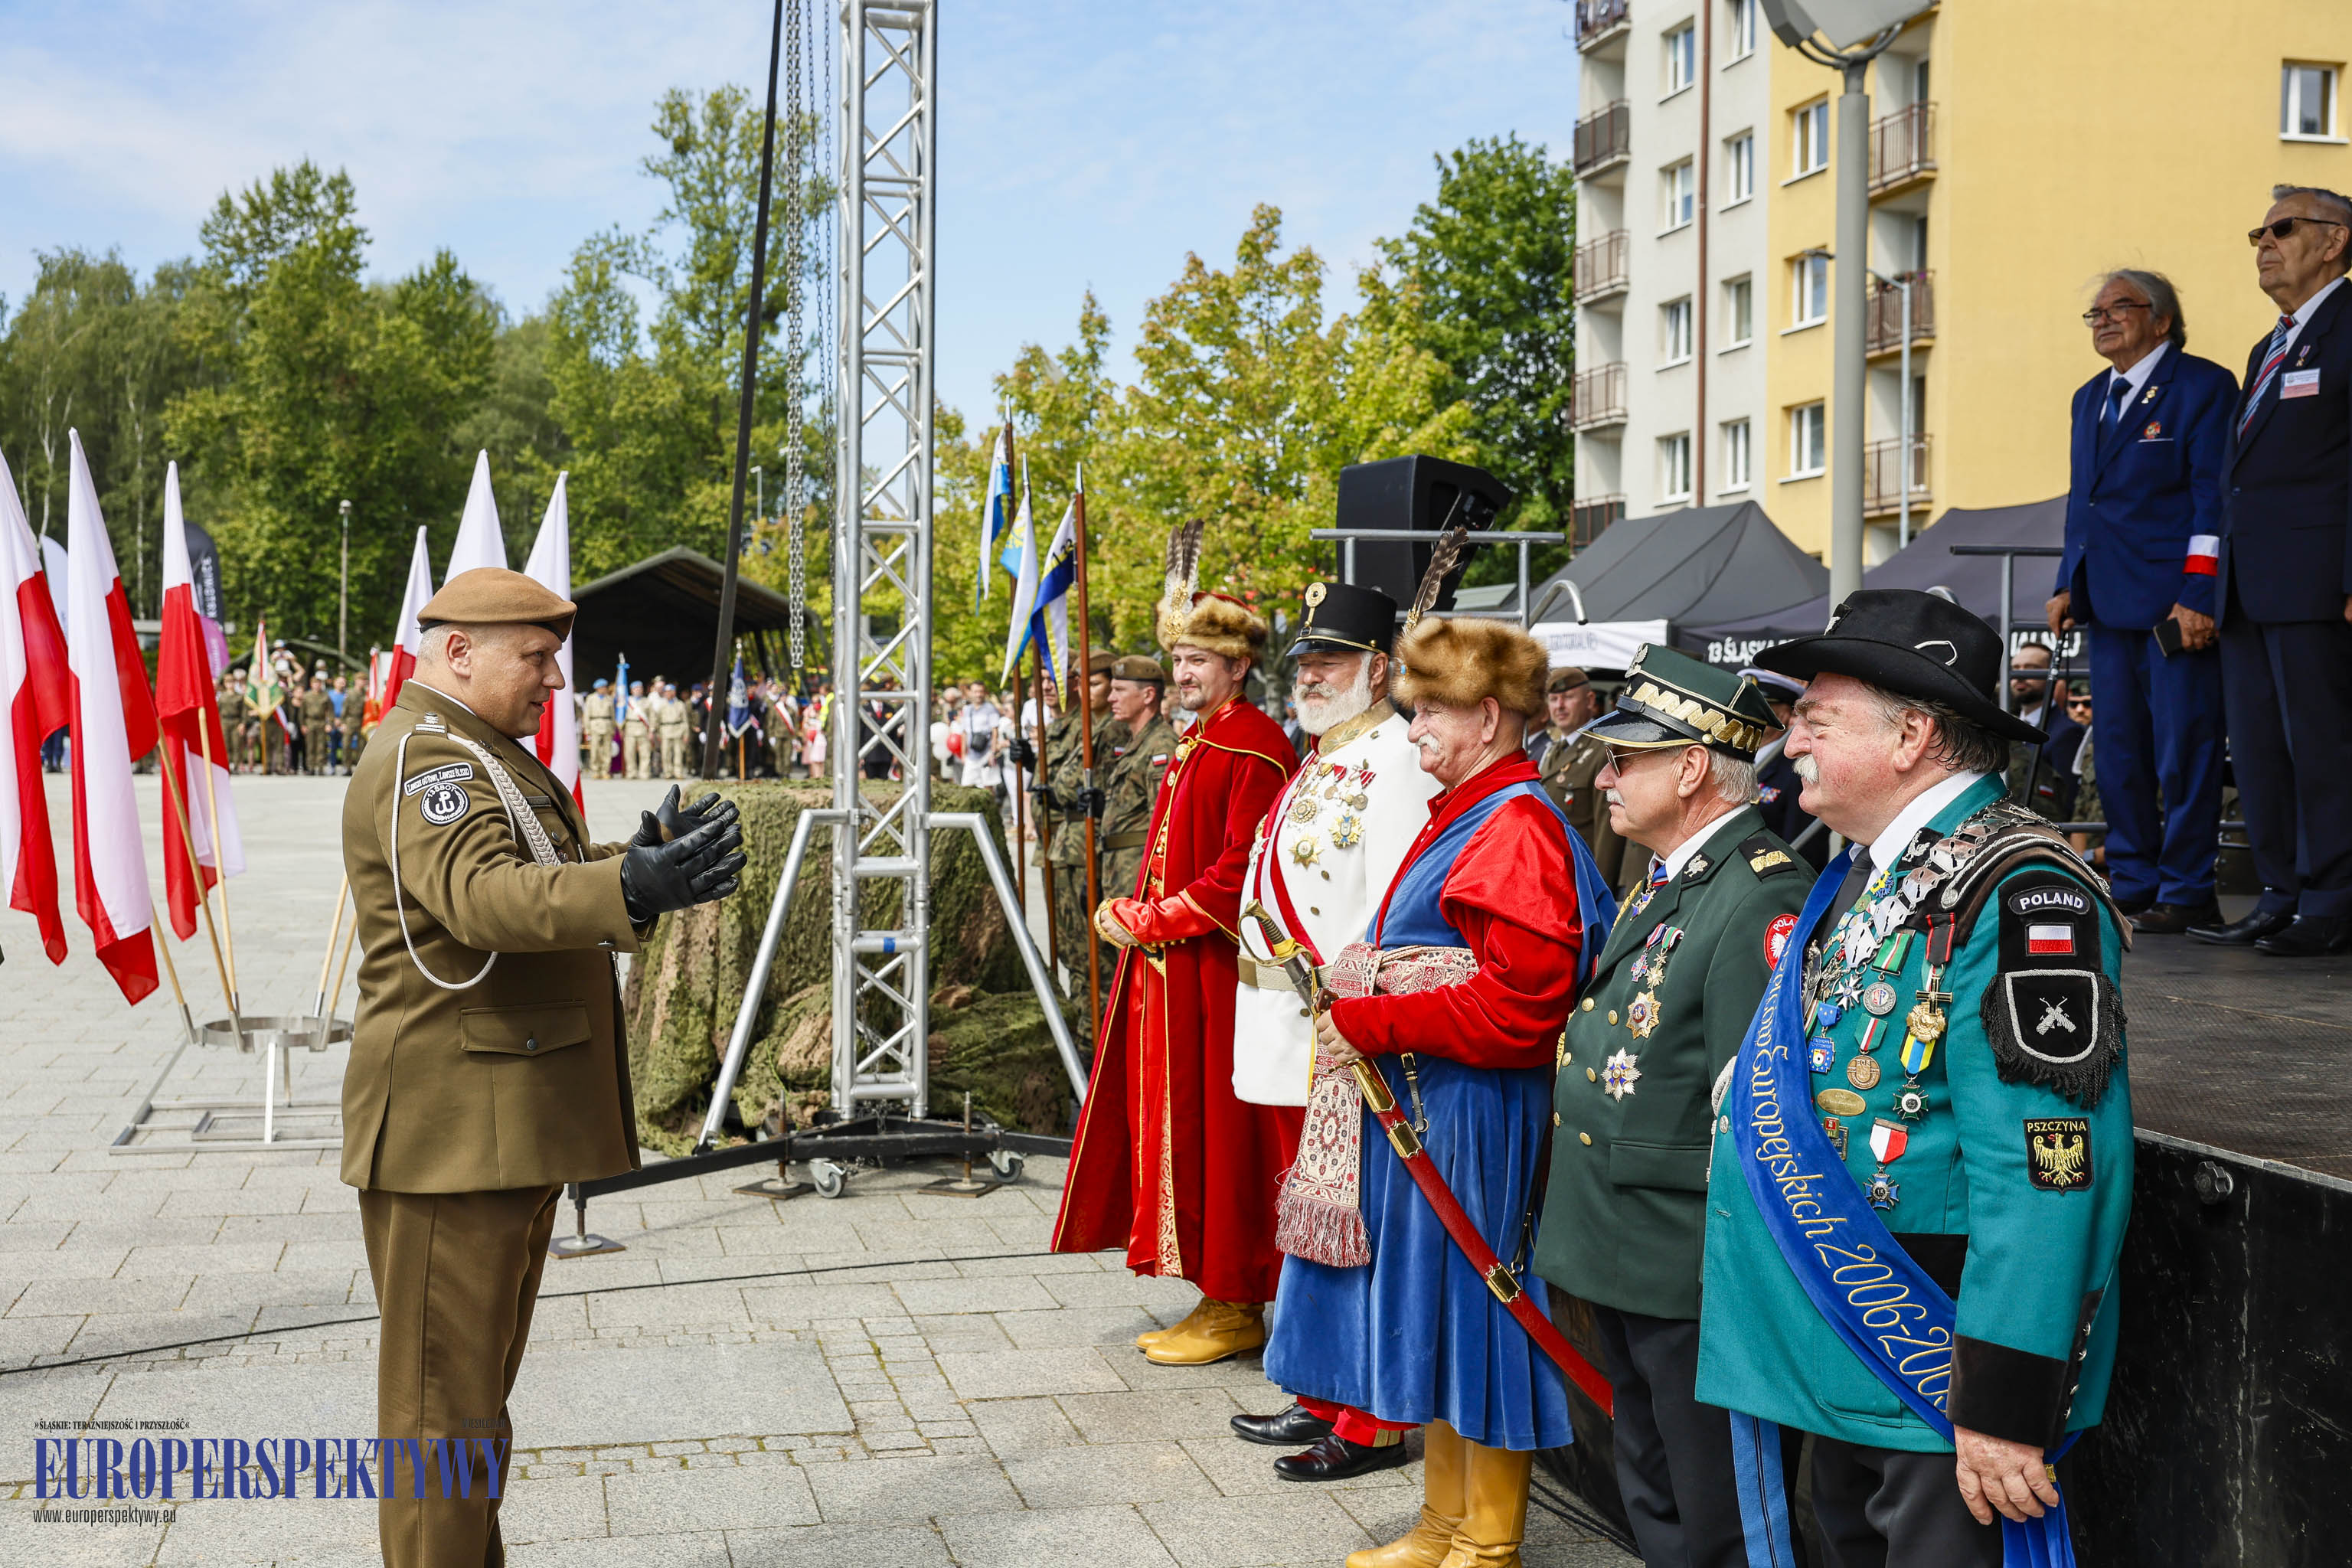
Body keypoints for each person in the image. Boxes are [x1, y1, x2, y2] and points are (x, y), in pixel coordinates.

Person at [1700, 588, 2135, 1567]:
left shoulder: (2023, 892)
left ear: (1912, 736)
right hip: (1845, 1342)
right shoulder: (1872, 870)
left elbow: (2050, 1164)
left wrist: (2004, 1401)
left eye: (1816, 719)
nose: (1789, 742)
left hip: (1937, 1363)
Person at [341, 567, 743, 1566]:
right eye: (536, 656)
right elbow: (484, 898)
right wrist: (627, 887)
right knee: (442, 1421)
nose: (555, 679)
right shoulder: (428, 759)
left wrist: (633, 861)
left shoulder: (475, 751)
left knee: (471, 1411)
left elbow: (529, 870)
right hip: (452, 1136)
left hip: (493, 1128)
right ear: (459, 651)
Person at [1263, 609, 1612, 1568]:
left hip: (1473, 1110)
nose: (1412, 728)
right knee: (1443, 1320)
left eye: (1429, 712)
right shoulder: (1472, 811)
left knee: (1480, 1321)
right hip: (1438, 1099)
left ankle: (1488, 1541)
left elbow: (1521, 1006)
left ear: (1488, 717)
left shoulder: (1515, 824)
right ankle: (1442, 1524)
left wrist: (1374, 1020)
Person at [1534, 645, 1807, 1568]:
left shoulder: (1759, 889)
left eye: (1625, 759)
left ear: (1692, 768)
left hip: (1690, 1262)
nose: (1602, 777)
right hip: (1628, 1240)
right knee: (1654, 1488)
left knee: (1720, 1508)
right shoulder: (1674, 872)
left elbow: (1754, 1114)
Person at [1055, 539, 1300, 1367]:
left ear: (1237, 666)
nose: (1183, 672)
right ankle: (1213, 1290)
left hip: (1217, 976)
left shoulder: (1251, 744)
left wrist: (1153, 917)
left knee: (1219, 1137)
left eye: (1199, 659)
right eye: (1179, 658)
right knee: (1183, 1131)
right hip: (1177, 971)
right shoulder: (1206, 737)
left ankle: (1235, 1298)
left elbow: (1240, 871)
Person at [1227, 582, 1440, 1481]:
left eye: (1332, 660)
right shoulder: (1324, 754)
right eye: (1305, 661)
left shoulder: (1396, 761)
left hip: (1341, 1028)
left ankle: (1371, 1416)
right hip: (1285, 1021)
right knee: (1310, 1222)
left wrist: (1353, 1011)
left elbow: (1392, 909)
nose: (1311, 676)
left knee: (1356, 1225)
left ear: (1378, 669)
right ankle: (1320, 1385)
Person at [2047, 268, 2233, 935]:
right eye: (2095, 312)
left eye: (2118, 307)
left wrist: (2200, 593)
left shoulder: (2202, 386)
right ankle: (2133, 880)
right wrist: (2066, 582)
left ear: (2162, 319)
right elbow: (2083, 502)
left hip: (2172, 606)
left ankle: (2187, 889)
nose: (2102, 320)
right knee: (2119, 753)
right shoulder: (2088, 397)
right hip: (2105, 600)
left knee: (2185, 750)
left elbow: (2214, 498)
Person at [2194, 184, 2352, 955]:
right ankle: (2281, 893)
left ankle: (2332, 900)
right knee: (2260, 752)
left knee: (2323, 746)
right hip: (2248, 586)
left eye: (2283, 228)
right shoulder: (2269, 347)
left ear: (2335, 241)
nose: (2265, 242)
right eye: (2259, 231)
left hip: (2317, 578)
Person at [1040, 650, 1129, 1000]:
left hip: (1090, 846)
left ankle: (1095, 1026)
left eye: (1093, 683)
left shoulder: (1113, 730)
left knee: (1095, 955)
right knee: (1074, 949)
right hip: (1068, 844)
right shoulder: (1090, 726)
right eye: (1080, 682)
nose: (1082, 690)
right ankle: (1083, 1020)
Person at [1532, 666, 1628, 892]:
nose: (1559, 706)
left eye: (1568, 697)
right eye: (1553, 699)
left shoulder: (1602, 749)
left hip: (1582, 880)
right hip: (1554, 878)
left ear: (1590, 700)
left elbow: (1608, 831)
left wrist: (1598, 891)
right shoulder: (1553, 751)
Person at [1098, 657, 1180, 903]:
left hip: (1138, 878)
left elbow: (1165, 826)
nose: (1111, 698)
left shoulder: (1161, 746)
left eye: (1120, 690)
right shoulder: (1138, 741)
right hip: (1120, 871)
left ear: (1148, 695)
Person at [1743, 664, 1829, 870]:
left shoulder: (1798, 771)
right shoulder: (1733, 761)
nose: (1745, 713)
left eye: (1759, 706)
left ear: (1782, 715)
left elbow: (1804, 850)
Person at [2001, 642, 2080, 823]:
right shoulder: (2005, 726)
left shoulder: (2067, 732)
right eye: (2016, 668)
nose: (2020, 675)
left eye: (2031, 668)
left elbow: (2069, 800)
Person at [582, 678, 617, 782]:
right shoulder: (591, 698)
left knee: (607, 750)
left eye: (605, 687)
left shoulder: (609, 699)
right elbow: (587, 714)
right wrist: (587, 728)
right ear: (597, 688)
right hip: (595, 725)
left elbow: (613, 715)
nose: (604, 689)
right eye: (602, 687)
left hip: (607, 725)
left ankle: (605, 771)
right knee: (595, 749)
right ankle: (595, 771)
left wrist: (613, 728)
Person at [656, 681, 692, 779]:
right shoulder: (661, 705)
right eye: (666, 692)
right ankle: (667, 772)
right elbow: (657, 720)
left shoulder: (680, 704)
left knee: (678, 753)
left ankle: (678, 772)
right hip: (665, 730)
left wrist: (686, 734)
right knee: (666, 753)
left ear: (674, 692)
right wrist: (658, 734)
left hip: (678, 730)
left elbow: (685, 720)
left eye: (670, 691)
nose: (668, 694)